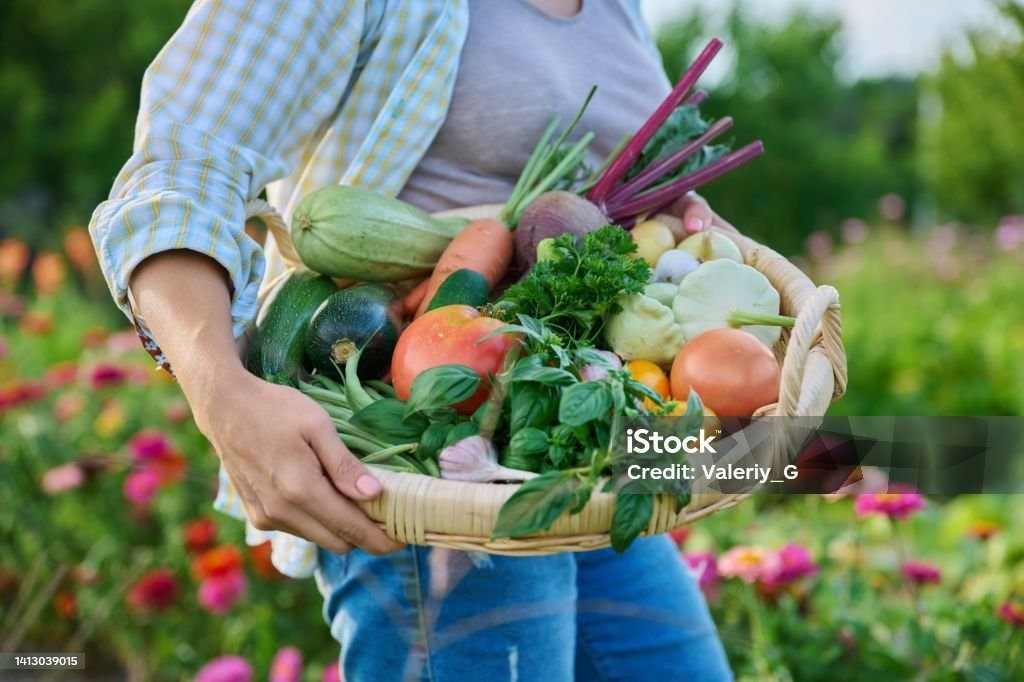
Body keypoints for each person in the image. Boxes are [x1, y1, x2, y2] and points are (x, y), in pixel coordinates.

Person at [91, 0, 735, 678]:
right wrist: (220, 393)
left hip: (576, 431)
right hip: (426, 456)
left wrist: (676, 213)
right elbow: (176, 173)